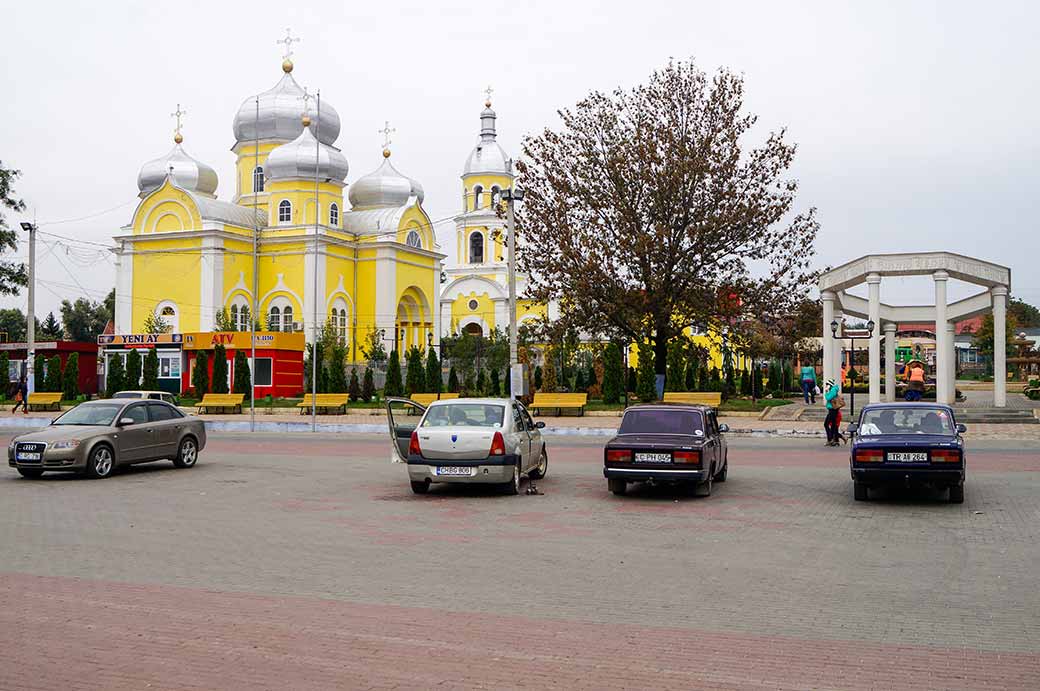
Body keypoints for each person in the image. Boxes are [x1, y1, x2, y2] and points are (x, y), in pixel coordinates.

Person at [823, 379, 843, 446]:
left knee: (826, 424)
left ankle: (830, 439)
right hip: (832, 410)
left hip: (833, 410)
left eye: (827, 384)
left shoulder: (833, 390)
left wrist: (826, 391)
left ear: (829, 385)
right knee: (833, 425)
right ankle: (834, 440)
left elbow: (828, 398)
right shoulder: (833, 390)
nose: (826, 386)